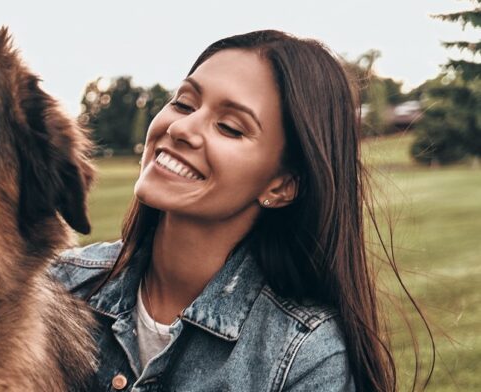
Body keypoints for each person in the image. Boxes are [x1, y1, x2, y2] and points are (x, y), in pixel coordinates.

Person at [51, 30, 430, 391]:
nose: (183, 128)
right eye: (183, 103)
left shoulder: (306, 356)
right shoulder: (57, 286)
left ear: (281, 186)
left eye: (230, 128)